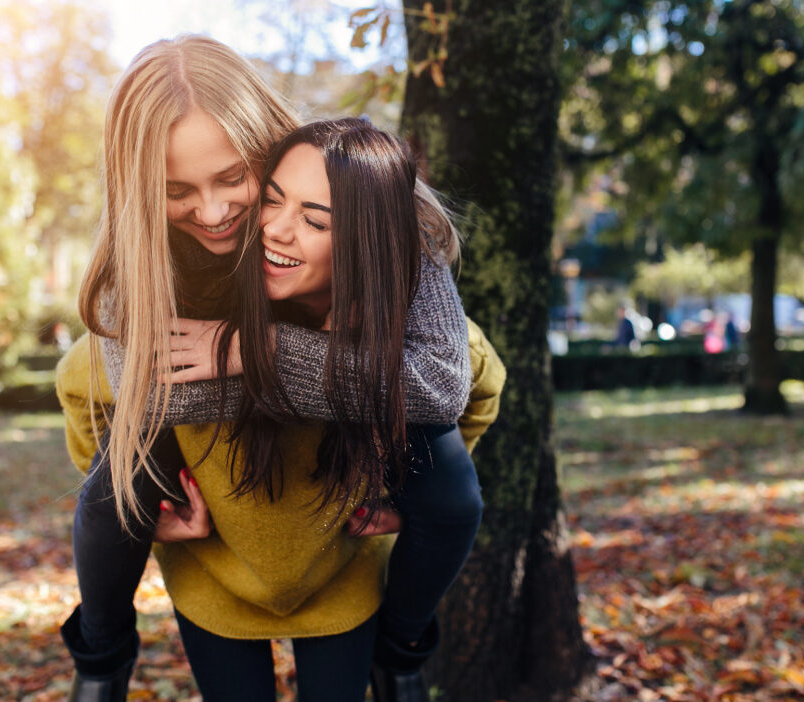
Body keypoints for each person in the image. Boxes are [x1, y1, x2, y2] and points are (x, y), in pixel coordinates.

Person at [56, 36, 500, 702]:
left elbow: (439, 381)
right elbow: (156, 399)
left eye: (234, 177)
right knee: (112, 493)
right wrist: (356, 380)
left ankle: (401, 653)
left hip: (331, 524)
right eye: (177, 190)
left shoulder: (364, 201)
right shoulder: (136, 251)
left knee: (445, 476)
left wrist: (243, 350)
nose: (211, 212)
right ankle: (101, 661)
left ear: (267, 142)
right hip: (216, 508)